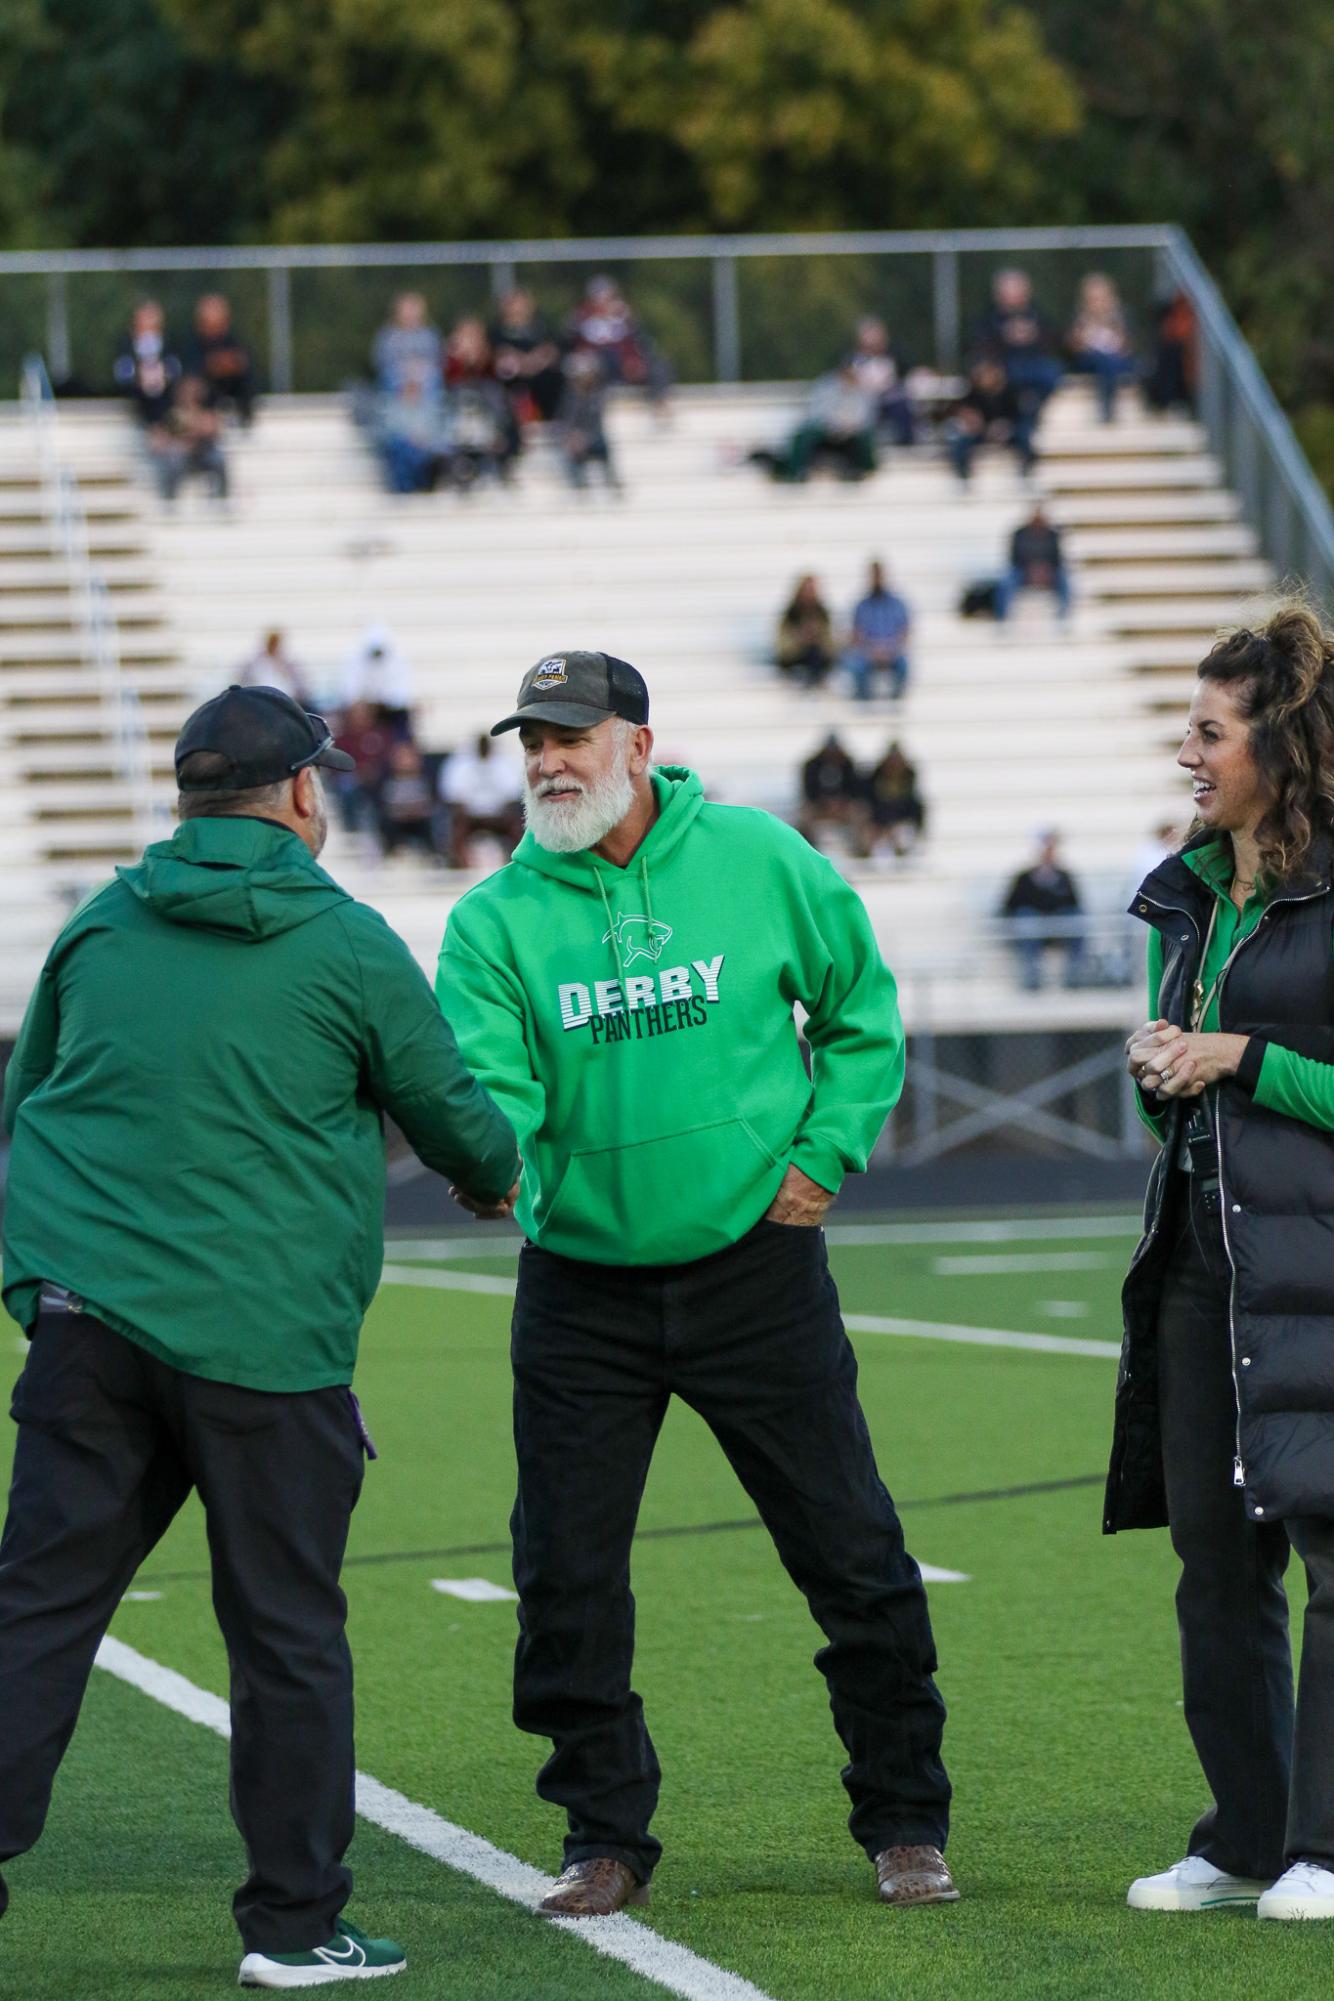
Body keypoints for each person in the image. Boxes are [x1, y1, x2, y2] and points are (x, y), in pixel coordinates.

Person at [0, 685, 517, 1987]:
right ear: (300, 793)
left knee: (35, 1620)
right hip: (265, 1347)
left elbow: (28, 1104)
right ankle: (292, 1927)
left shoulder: (102, 923)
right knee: (285, 1634)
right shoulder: (343, 939)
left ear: (185, 797)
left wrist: (39, 1291)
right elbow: (450, 1112)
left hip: (89, 1328)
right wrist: (489, 1175)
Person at [436, 651, 955, 1918]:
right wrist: (488, 1162)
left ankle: (903, 1822)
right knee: (563, 1573)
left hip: (754, 1272)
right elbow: (493, 1086)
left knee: (851, 1549)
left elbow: (859, 1012)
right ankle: (599, 1834)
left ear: (638, 742)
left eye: (571, 736)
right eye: (531, 743)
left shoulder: (760, 857)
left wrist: (824, 1157)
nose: (549, 762)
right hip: (582, 1288)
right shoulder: (492, 921)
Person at [1114, 605, 1334, 1922]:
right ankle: (1245, 1836)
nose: (1183, 750)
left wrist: (1240, 1058)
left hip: (1319, 1263)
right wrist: (1165, 1070)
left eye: (1207, 730)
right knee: (1215, 1556)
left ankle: (1326, 1848)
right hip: (1200, 1259)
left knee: (1331, 1555)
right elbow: (1176, 1079)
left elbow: (1249, 1068)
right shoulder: (1184, 888)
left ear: (1281, 740)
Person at [973, 269, 1063, 423]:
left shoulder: (1037, 314)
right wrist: (1005, 337)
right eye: (1009, 291)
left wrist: (1032, 336)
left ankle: (1030, 405)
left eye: (1018, 290)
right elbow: (980, 347)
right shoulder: (988, 319)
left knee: (1052, 370)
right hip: (1005, 367)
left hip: (1034, 365)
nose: (1014, 296)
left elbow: (1054, 342)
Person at [1000, 831, 1085, 989]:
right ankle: (1032, 980)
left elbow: (1075, 903)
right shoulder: (1024, 877)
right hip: (1032, 931)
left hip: (1058, 928)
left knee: (1075, 918)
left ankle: (1073, 978)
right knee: (1026, 918)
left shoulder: (1064, 876)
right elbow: (1009, 906)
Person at [780, 363, 878, 482]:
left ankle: (861, 469)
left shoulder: (864, 393)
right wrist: (835, 426)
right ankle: (796, 471)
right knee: (805, 436)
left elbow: (867, 418)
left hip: (852, 432)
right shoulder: (826, 388)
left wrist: (850, 427)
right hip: (826, 431)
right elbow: (817, 414)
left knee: (863, 438)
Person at [439, 733, 523, 868]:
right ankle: (460, 864)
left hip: (499, 816)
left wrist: (498, 813)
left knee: (516, 827)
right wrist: (469, 813)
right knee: (457, 827)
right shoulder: (460, 764)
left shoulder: (505, 763)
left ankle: (518, 863)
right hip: (470, 817)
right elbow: (453, 797)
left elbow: (513, 796)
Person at [943, 359, 1032, 485]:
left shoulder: (1011, 392)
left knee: (1023, 435)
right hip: (982, 432)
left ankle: (1027, 470)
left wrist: (1005, 427)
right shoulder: (973, 393)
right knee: (960, 442)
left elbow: (1019, 416)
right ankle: (963, 475)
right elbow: (959, 411)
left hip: (1008, 431)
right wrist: (971, 420)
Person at [1067, 274, 1137, 425]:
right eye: (1092, 298)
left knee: (1109, 361)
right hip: (1090, 362)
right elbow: (1073, 349)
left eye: (1100, 297)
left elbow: (1129, 347)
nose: (1097, 302)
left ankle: (1107, 410)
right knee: (1103, 360)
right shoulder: (1080, 317)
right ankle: (1107, 410)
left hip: (1116, 362)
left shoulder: (1121, 316)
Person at [151, 374, 229, 506]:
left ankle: (223, 499)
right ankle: (169, 500)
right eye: (187, 390)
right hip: (182, 456)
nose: (191, 394)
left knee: (218, 458)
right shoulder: (171, 414)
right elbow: (157, 440)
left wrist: (191, 431)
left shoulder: (206, 412)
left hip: (202, 454)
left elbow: (213, 430)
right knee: (173, 458)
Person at [489, 289, 564, 425]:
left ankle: (550, 421)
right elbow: (501, 352)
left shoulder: (542, 327)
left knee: (552, 378)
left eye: (523, 303)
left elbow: (551, 348)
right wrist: (525, 362)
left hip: (541, 372)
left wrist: (535, 362)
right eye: (515, 303)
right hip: (512, 377)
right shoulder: (498, 331)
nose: (519, 308)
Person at [844, 561, 912, 701]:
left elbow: (904, 633)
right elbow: (856, 636)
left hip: (892, 652)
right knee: (856, 666)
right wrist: (872, 651)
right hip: (868, 653)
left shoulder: (897, 604)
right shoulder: (861, 605)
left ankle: (897, 703)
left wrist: (889, 650)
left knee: (903, 665)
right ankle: (864, 704)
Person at [186, 293, 257, 427]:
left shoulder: (235, 343)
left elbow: (244, 368)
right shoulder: (193, 346)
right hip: (202, 408)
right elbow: (192, 374)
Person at [555, 349, 620, 494]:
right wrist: (572, 436)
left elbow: (596, 424)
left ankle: (611, 481)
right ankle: (579, 485)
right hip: (574, 440)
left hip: (592, 438)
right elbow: (565, 422)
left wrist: (584, 437)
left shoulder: (597, 397)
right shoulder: (570, 398)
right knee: (571, 449)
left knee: (602, 443)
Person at [844, 317, 915, 446]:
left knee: (903, 407)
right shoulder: (853, 358)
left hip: (889, 398)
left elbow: (908, 372)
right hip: (863, 399)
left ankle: (907, 444)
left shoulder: (894, 354)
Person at [995, 505, 1071, 623]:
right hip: (1023, 571)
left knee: (1064, 580)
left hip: (1048, 572)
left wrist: (1045, 571)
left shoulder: (1053, 535)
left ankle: (1064, 618)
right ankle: (1002, 617)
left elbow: (1058, 558)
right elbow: (1014, 558)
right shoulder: (1019, 534)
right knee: (1007, 582)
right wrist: (1031, 570)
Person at [799, 732, 868, 852]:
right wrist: (824, 803)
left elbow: (855, 789)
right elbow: (808, 791)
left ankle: (859, 849)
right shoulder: (812, 766)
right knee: (805, 817)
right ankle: (808, 850)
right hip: (818, 807)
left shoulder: (848, 765)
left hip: (844, 807)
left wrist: (841, 803)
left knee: (859, 814)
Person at [376, 739, 441, 860]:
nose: (406, 762)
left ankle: (434, 855)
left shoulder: (426, 781)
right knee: (385, 822)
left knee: (437, 821)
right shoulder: (388, 782)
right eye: (401, 758)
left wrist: (416, 810)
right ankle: (390, 854)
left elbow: (430, 803)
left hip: (421, 820)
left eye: (409, 757)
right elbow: (387, 805)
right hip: (397, 820)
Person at [340, 623, 414, 729]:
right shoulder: (355, 661)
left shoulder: (397, 662)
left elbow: (399, 696)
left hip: (389, 710)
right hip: (365, 707)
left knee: (401, 717)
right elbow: (350, 693)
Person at [372, 292, 444, 392]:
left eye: (414, 309)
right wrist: (404, 367)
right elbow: (380, 360)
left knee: (432, 377)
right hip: (396, 374)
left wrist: (419, 367)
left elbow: (437, 357)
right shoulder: (387, 335)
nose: (411, 313)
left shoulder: (430, 334)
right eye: (407, 309)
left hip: (424, 374)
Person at [865, 742, 926, 859]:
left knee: (904, 837)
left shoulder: (909, 786)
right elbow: (873, 809)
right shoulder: (875, 784)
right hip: (879, 829)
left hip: (900, 827)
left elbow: (914, 813)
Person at [776, 575, 836, 689]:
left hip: (816, 658)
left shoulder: (822, 613)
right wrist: (800, 638)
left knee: (815, 655)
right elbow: (782, 647)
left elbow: (830, 644)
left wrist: (817, 637)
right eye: (807, 590)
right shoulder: (790, 614)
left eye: (812, 590)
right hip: (794, 658)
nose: (809, 594)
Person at [235, 629, 310, 707]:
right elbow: (245, 680)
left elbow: (299, 685)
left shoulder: (287, 662)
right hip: (259, 699)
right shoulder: (255, 662)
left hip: (285, 699)